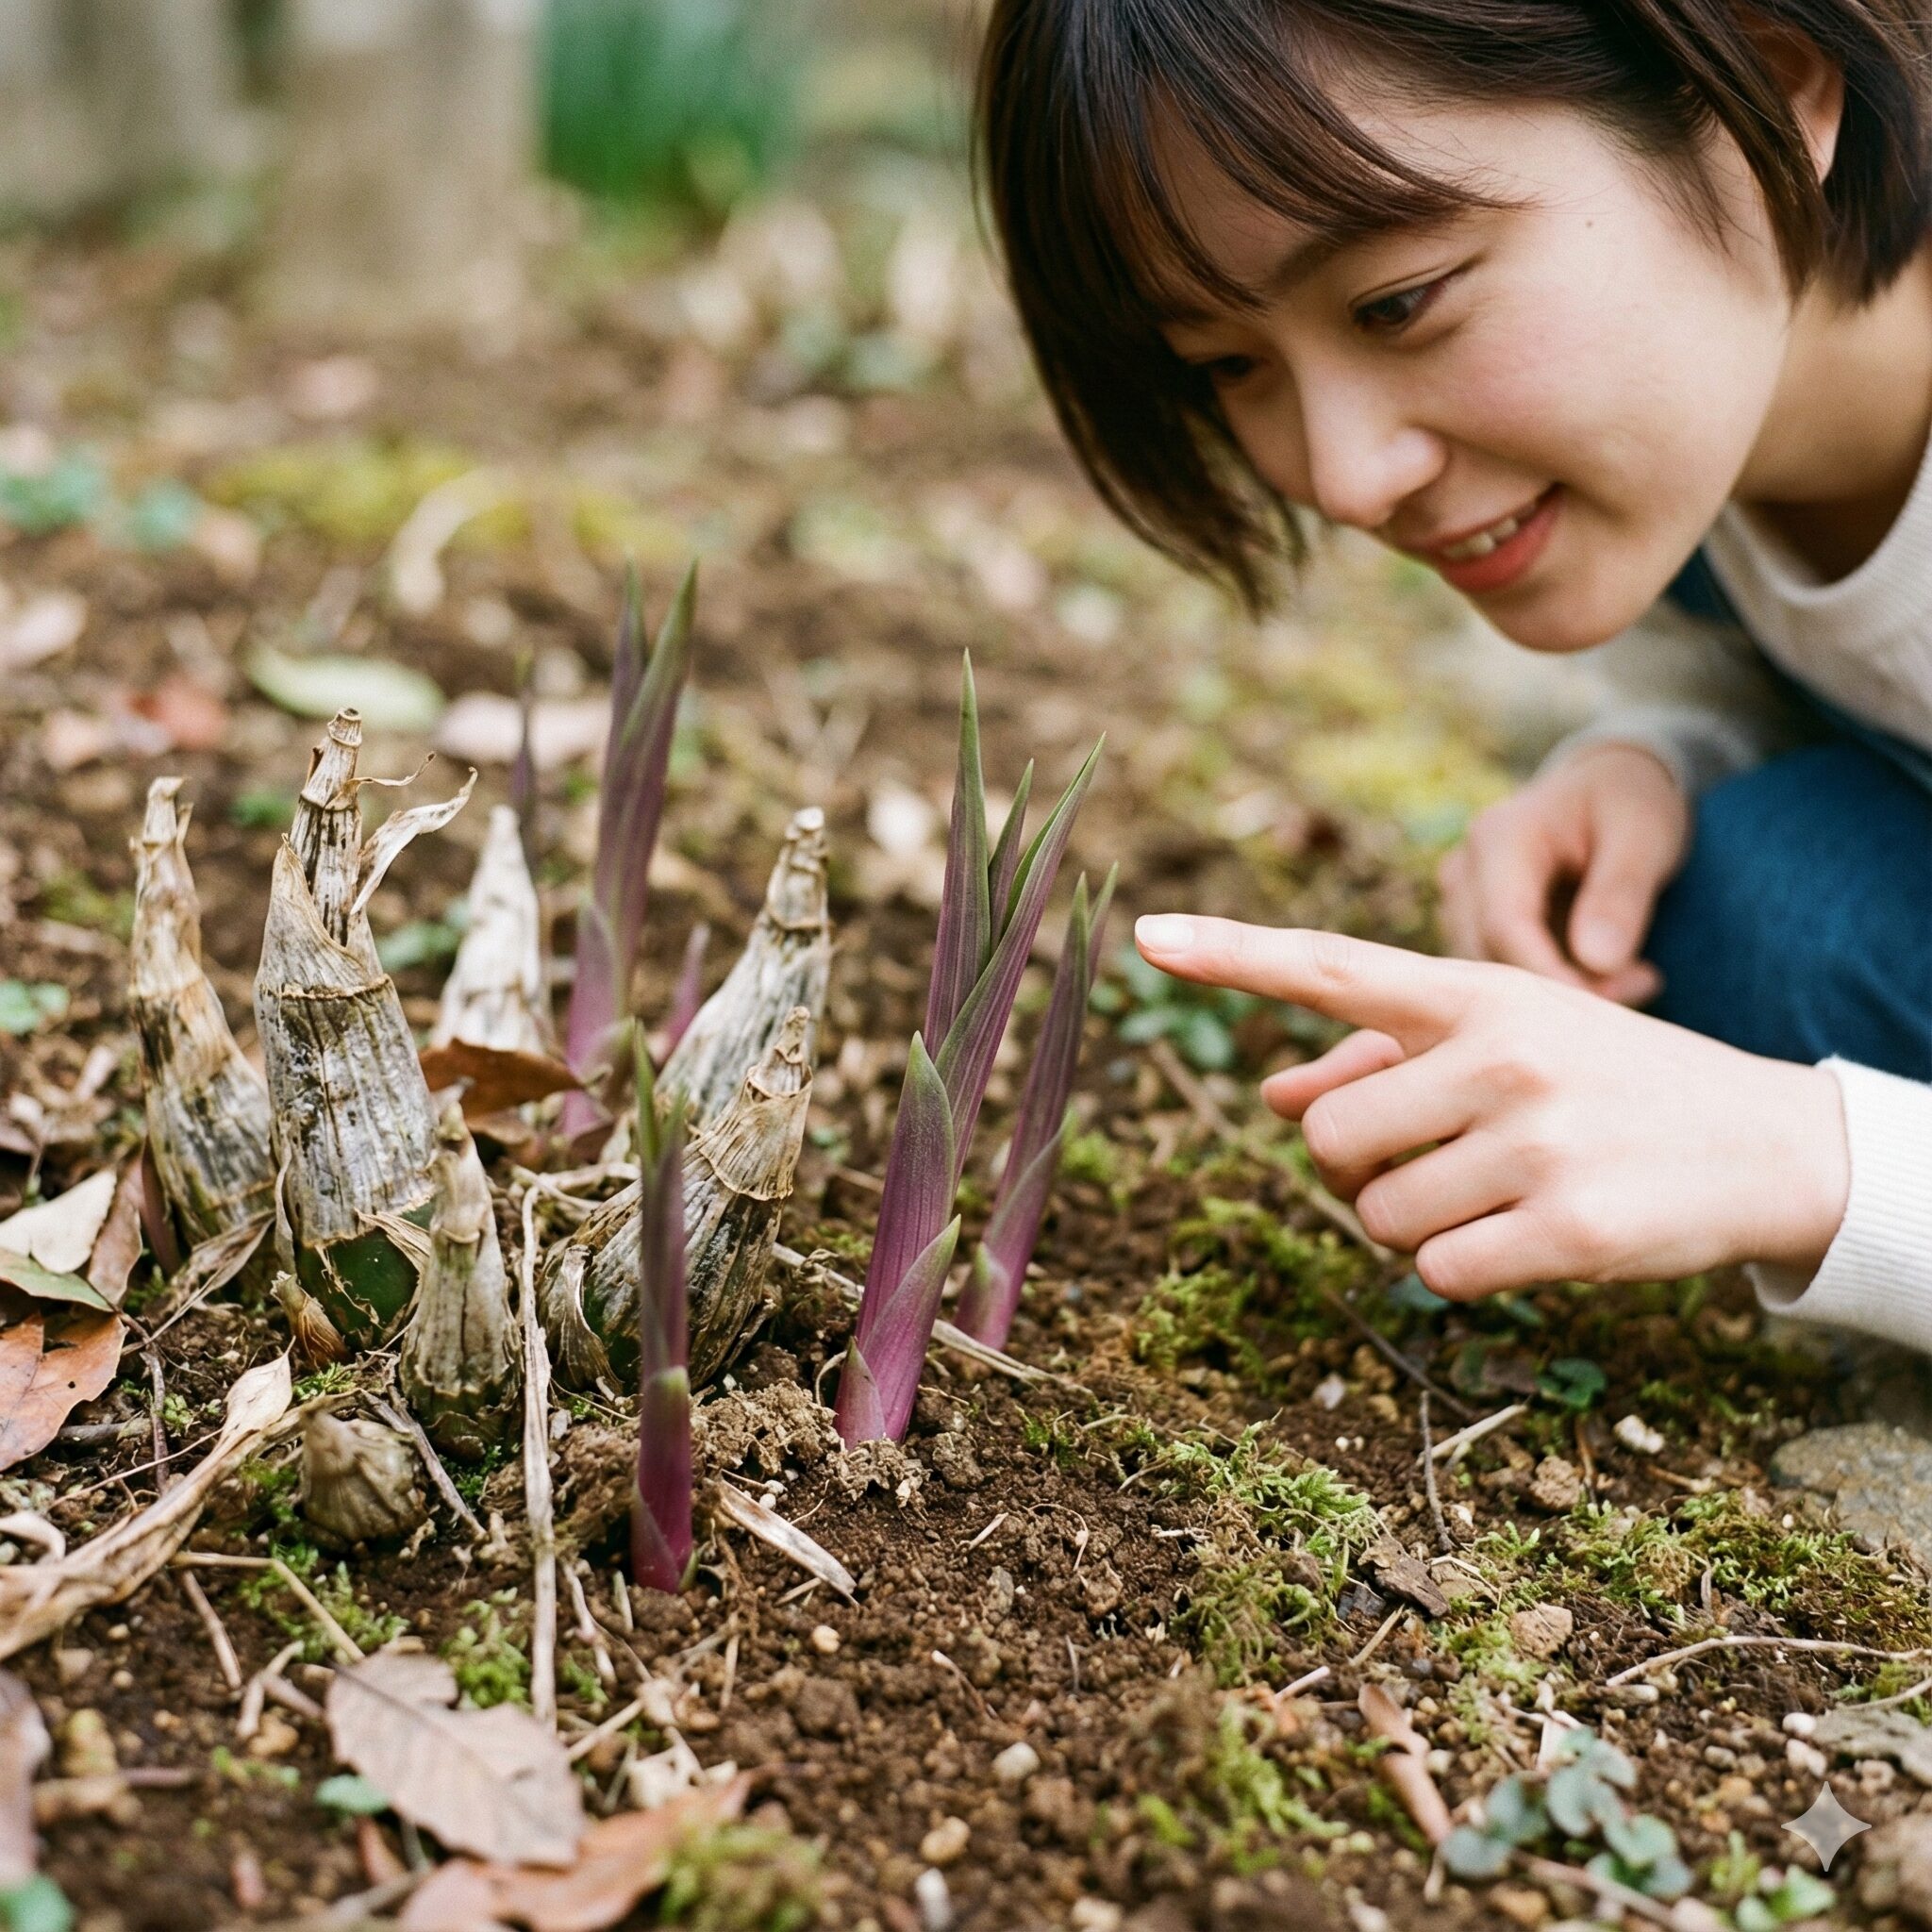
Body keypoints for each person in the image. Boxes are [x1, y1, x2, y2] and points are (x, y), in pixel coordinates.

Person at [975, 0, 1932, 1348]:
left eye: (1398, 302)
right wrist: (1660, 756)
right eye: (1229, 364)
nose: (1343, 477)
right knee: (1748, 907)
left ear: (1761, 99)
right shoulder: (1718, 433)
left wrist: (1812, 1157)